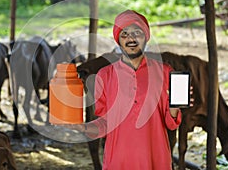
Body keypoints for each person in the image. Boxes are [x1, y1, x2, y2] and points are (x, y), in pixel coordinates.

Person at [70, 10, 185, 169]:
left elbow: (171, 125)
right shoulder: (105, 75)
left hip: (155, 159)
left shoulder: (164, 72)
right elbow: (106, 123)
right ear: (118, 40)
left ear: (146, 37)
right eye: (124, 34)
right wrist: (85, 128)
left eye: (137, 33)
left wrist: (175, 105)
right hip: (119, 161)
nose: (131, 39)